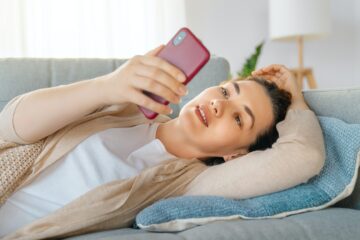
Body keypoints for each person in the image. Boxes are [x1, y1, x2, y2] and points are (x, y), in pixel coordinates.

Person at [0, 45, 323, 236]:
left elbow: (303, 156)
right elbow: (10, 128)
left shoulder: (188, 183)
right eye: (226, 91)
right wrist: (106, 86)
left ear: (236, 155)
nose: (219, 105)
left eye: (239, 118)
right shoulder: (126, 106)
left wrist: (295, 99)